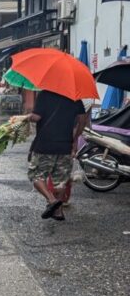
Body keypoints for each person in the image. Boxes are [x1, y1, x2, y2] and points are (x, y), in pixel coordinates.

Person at [27, 90, 86, 221]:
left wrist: (28, 116)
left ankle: (52, 201)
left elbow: (37, 117)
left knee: (35, 175)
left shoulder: (44, 94)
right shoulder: (75, 97)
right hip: (65, 145)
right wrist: (75, 140)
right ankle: (58, 212)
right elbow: (82, 120)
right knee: (61, 180)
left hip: (45, 144)